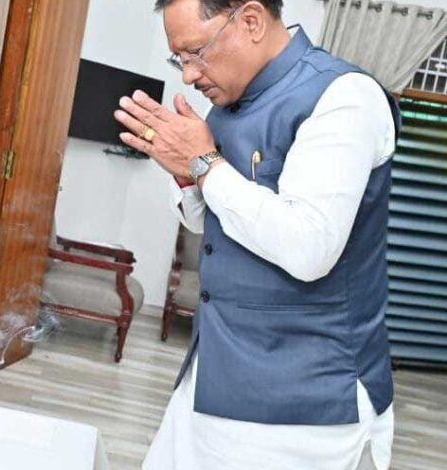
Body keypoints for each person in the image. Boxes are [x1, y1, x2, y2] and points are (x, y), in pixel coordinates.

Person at [114, 1, 400, 469]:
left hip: (301, 402)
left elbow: (309, 248)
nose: (188, 75)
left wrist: (205, 164)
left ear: (250, 21)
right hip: (214, 369)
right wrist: (187, 175)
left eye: (195, 53)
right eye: (178, 59)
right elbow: (215, 225)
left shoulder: (343, 97)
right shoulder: (230, 100)